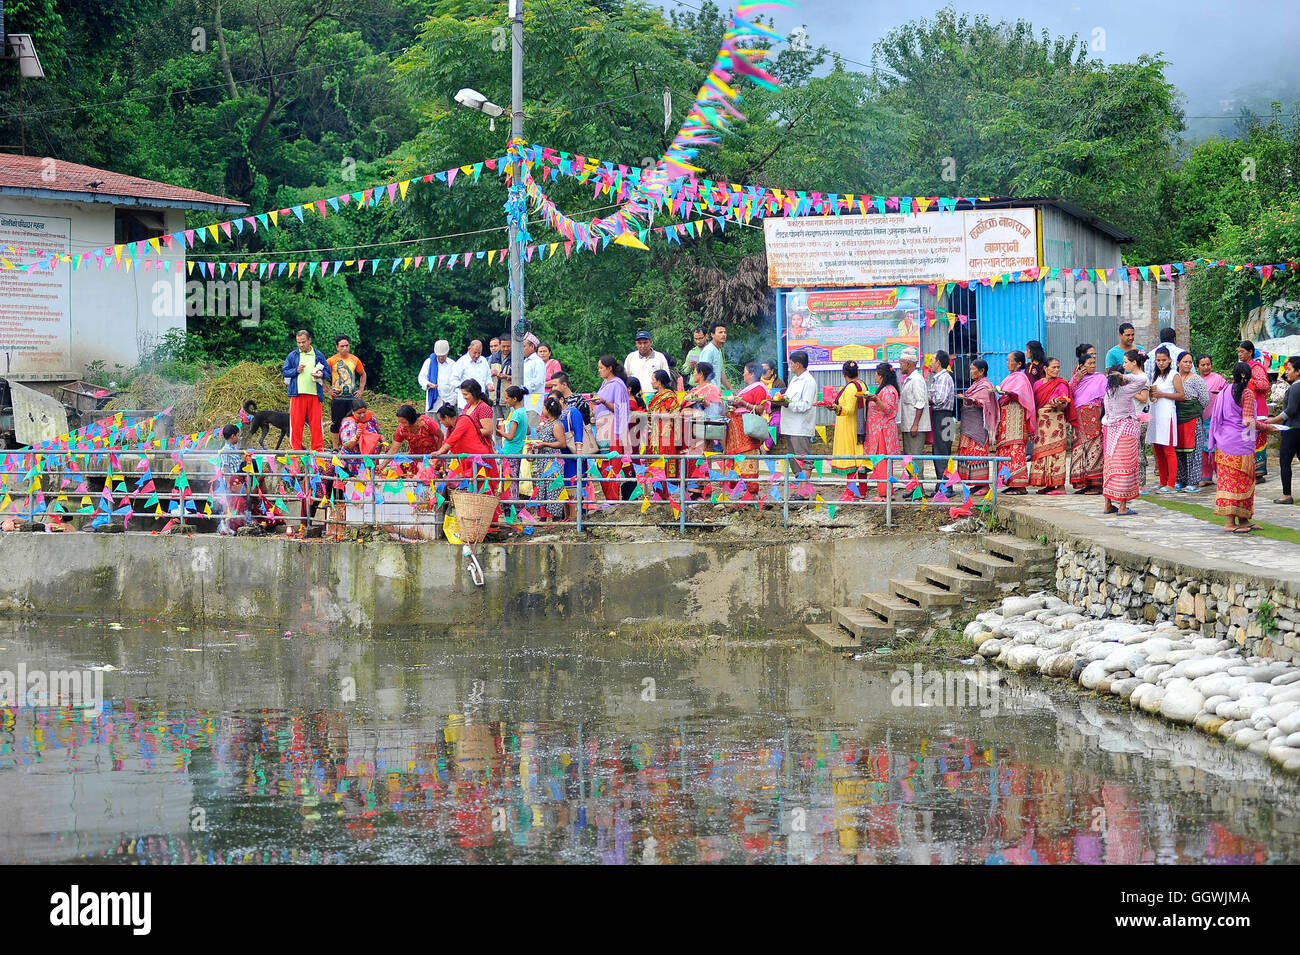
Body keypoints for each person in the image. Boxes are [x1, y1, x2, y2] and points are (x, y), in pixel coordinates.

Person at [1209, 362, 1279, 532]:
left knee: (1228, 482)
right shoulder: (1247, 393)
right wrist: (1266, 427)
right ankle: (1230, 523)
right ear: (1247, 377)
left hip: (1224, 442)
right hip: (1240, 444)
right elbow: (1247, 421)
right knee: (1242, 481)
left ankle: (1244, 520)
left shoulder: (1225, 391)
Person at [1102, 350, 1149, 516]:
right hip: (1126, 431)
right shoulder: (1125, 390)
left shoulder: (1107, 393)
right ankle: (1122, 507)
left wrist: (1118, 377)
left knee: (1110, 468)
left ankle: (1108, 504)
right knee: (1126, 468)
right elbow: (1142, 379)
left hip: (1110, 431)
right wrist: (1125, 377)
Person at [725, 361, 771, 500]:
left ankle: (750, 495)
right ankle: (737, 495)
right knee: (736, 463)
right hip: (736, 433)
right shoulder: (747, 388)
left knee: (746, 462)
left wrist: (742, 403)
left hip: (746, 433)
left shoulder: (759, 388)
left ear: (751, 373)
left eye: (745, 371)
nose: (743, 374)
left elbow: (760, 409)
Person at [281, 329, 329, 452]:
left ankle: (318, 455)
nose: (301, 345)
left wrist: (321, 374)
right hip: (297, 395)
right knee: (296, 426)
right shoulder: (293, 355)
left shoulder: (318, 355)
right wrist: (295, 371)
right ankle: (295, 455)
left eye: (303, 342)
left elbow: (328, 372)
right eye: (298, 342)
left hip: (315, 395)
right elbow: (285, 371)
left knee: (316, 426)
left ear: (309, 340)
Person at [590, 355, 631, 502]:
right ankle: (608, 497)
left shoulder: (618, 384)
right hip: (602, 428)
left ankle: (613, 498)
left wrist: (604, 402)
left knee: (612, 463)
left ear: (610, 368)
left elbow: (621, 408)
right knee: (602, 463)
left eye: (601, 367)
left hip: (613, 428)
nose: (599, 370)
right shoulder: (605, 384)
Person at [995, 351, 1036, 494]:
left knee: (1015, 448)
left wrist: (1009, 394)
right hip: (1006, 419)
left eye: (1010, 360)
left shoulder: (1021, 378)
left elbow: (1023, 397)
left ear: (1019, 364)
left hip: (1016, 417)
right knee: (1006, 449)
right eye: (1007, 360)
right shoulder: (1009, 378)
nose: (1007, 363)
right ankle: (1010, 482)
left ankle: (1020, 485)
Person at [1028, 357, 1072, 494]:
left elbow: (1065, 402)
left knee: (1056, 452)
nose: (1056, 370)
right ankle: (1048, 484)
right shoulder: (1037, 384)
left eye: (1058, 367)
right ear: (1045, 369)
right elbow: (1034, 404)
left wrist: (1059, 403)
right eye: (1053, 367)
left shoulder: (1062, 383)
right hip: (1041, 423)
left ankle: (1060, 486)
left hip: (1055, 422)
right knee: (1042, 452)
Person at [1068, 345, 1106, 494]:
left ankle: (1095, 484)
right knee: (1079, 448)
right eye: (1089, 364)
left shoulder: (1100, 378)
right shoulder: (1076, 379)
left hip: (1093, 416)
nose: (1092, 366)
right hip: (1079, 417)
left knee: (1094, 447)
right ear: (1081, 366)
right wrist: (1076, 378)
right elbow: (1069, 393)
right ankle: (1083, 482)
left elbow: (1105, 399)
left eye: (1093, 363)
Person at [1146, 345, 1183, 492]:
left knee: (1168, 449)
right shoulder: (1156, 376)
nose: (1160, 363)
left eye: (1163, 360)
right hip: (1155, 414)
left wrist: (1163, 394)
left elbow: (1181, 395)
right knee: (1158, 450)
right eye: (1158, 360)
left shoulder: (1174, 375)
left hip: (1167, 415)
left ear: (1169, 360)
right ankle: (1162, 481)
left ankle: (1171, 483)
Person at [1263, 355, 1300, 504]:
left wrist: (1272, 420)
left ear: (1298, 371)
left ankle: (1286, 494)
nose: (1286, 372)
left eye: (1289, 369)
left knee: (1285, 461)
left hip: (1293, 429)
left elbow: (1290, 410)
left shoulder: (1296, 387)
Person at [830, 360, 869, 497]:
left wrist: (835, 408)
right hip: (860, 427)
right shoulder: (863, 385)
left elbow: (849, 410)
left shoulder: (851, 388)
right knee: (860, 458)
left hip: (848, 427)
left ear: (844, 374)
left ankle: (850, 491)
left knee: (850, 459)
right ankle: (862, 490)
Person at [958, 359, 998, 487]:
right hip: (968, 425)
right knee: (968, 453)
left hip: (978, 427)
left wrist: (974, 401)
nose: (970, 372)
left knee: (977, 453)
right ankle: (976, 484)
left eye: (973, 369)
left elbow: (987, 403)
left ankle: (983, 485)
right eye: (970, 369)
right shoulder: (974, 385)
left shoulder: (986, 385)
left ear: (981, 371)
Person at [865, 361, 901, 501]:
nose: (875, 376)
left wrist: (875, 399)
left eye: (876, 374)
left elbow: (888, 409)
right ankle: (885, 491)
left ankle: (885, 493)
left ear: (881, 375)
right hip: (879, 430)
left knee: (882, 462)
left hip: (883, 431)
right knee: (881, 462)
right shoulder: (884, 389)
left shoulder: (888, 391)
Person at [1174, 352, 1209, 493]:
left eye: (1190, 362)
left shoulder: (1196, 379)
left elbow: (1205, 399)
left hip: (1192, 418)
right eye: (1185, 362)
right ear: (1178, 363)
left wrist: (1194, 409)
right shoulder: (1174, 378)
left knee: (1193, 450)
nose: (1188, 364)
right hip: (1178, 417)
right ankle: (1180, 480)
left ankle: (1193, 481)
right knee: (1179, 449)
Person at [531, 396, 569, 520]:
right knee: (543, 487)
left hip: (553, 462)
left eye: (543, 407)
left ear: (548, 409)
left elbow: (562, 443)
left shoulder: (557, 425)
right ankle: (543, 516)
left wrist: (545, 444)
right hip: (542, 461)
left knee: (553, 488)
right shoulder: (545, 424)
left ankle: (555, 517)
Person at [1238, 341, 1272, 481]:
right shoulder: (1242, 367)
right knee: (1248, 439)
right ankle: (1249, 471)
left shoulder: (1256, 368)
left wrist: (1249, 380)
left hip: (1258, 409)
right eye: (1238, 351)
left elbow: (1264, 385)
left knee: (1256, 440)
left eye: (1242, 351)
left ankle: (1258, 473)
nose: (1239, 354)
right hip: (1246, 409)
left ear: (1250, 352)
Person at [326, 335, 367, 451]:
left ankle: (352, 445)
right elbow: (321, 374)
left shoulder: (354, 359)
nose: (344, 348)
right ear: (337, 347)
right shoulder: (331, 360)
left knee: (352, 422)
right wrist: (328, 390)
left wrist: (361, 389)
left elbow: (363, 374)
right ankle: (335, 447)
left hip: (351, 398)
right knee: (336, 423)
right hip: (338, 397)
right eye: (342, 346)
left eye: (347, 346)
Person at [553, 387, 588, 514]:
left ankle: (576, 518)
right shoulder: (555, 417)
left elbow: (579, 433)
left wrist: (579, 453)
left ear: (562, 400)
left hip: (573, 455)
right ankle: (568, 517)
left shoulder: (573, 412)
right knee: (565, 487)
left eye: (554, 400)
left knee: (575, 487)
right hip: (562, 457)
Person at [777, 351, 816, 457]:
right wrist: (781, 397)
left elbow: (806, 405)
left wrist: (787, 404)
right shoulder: (794, 379)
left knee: (803, 460)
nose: (790, 366)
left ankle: (804, 474)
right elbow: (789, 398)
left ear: (797, 365)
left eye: (791, 363)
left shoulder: (808, 381)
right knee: (793, 460)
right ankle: (798, 475)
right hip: (789, 426)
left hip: (800, 428)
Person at [646, 369, 683, 480]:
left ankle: (667, 491)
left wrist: (659, 416)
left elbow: (676, 414)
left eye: (653, 379)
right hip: (653, 433)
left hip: (665, 433)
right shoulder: (654, 397)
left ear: (659, 382)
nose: (651, 382)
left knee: (665, 459)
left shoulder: (669, 396)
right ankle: (657, 490)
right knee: (654, 459)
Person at [496, 385, 530, 505]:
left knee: (509, 482)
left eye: (507, 398)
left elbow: (510, 436)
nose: (506, 400)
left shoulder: (516, 415)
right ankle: (512, 511)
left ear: (514, 399)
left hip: (510, 450)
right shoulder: (523, 412)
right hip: (517, 450)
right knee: (512, 481)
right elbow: (528, 431)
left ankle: (511, 511)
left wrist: (501, 432)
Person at [1197, 354, 1228, 486]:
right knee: (1202, 449)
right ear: (1197, 366)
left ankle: (1221, 475)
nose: (1206, 367)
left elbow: (1227, 396)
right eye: (1202, 365)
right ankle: (1206, 476)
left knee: (1215, 448)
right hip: (1200, 418)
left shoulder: (1219, 379)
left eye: (1208, 364)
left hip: (1216, 419)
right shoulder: (1195, 380)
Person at [896, 347, 931, 459]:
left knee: (915, 458)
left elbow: (920, 403)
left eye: (901, 363)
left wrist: (915, 425)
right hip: (908, 425)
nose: (900, 366)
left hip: (915, 427)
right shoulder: (909, 379)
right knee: (908, 459)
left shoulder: (917, 379)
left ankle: (917, 477)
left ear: (908, 364)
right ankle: (912, 477)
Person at [682, 361, 723, 455]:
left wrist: (705, 403)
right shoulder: (695, 389)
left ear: (701, 374)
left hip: (702, 427)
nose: (693, 374)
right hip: (688, 427)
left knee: (701, 456)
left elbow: (717, 410)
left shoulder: (712, 389)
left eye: (695, 372)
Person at [928, 350, 956, 489]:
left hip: (944, 418)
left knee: (942, 451)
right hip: (944, 417)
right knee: (940, 450)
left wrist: (927, 399)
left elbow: (939, 400)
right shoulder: (938, 378)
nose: (930, 363)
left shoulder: (943, 378)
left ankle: (946, 487)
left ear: (938, 363)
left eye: (932, 359)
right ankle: (943, 485)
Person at [216, 423, 249, 535]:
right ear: (233, 436)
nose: (238, 438)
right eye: (237, 435)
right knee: (231, 505)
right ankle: (226, 526)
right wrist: (228, 484)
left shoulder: (234, 448)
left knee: (237, 504)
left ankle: (236, 525)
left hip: (238, 480)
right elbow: (225, 467)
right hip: (232, 482)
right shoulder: (225, 450)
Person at [339, 398, 387, 467]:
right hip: (353, 462)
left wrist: (384, 443)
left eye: (364, 412)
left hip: (370, 460)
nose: (362, 415)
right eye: (359, 413)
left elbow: (379, 433)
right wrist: (356, 437)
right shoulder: (349, 423)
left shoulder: (372, 419)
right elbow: (347, 446)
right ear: (353, 412)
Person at [625, 330, 670, 396]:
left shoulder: (660, 357)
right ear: (636, 344)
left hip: (655, 396)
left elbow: (666, 379)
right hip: (635, 397)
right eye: (639, 343)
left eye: (645, 343)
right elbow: (625, 377)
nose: (642, 346)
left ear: (651, 342)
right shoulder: (631, 357)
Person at [418, 339, 456, 414]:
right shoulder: (429, 362)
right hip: (434, 403)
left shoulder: (453, 364)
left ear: (447, 353)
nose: (441, 358)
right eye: (439, 356)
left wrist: (453, 399)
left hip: (449, 401)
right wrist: (428, 384)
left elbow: (456, 382)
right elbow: (421, 378)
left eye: (443, 356)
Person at [455, 340, 491, 410]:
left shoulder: (483, 360)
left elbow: (488, 377)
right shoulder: (461, 362)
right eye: (475, 353)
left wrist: (489, 384)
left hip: (481, 402)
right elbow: (453, 380)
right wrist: (464, 388)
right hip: (465, 403)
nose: (477, 355)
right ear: (469, 349)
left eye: (479, 353)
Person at [759, 359, 786, 452]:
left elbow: (781, 401)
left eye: (765, 370)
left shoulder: (779, 383)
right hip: (759, 410)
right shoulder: (756, 382)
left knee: (776, 423)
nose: (762, 373)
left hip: (774, 410)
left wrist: (767, 402)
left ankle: (765, 447)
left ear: (771, 371)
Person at [490, 334, 513, 425]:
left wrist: (507, 377)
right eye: (503, 346)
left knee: (509, 425)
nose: (506, 349)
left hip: (508, 400)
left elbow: (520, 377)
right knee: (497, 427)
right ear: (500, 345)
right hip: (494, 398)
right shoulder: (493, 357)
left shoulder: (515, 358)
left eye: (508, 346)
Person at [698, 322, 729, 390]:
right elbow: (702, 375)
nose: (723, 335)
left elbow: (720, 373)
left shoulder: (718, 350)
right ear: (712, 335)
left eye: (725, 332)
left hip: (715, 391)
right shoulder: (708, 351)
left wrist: (731, 390)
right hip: (708, 392)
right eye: (720, 332)